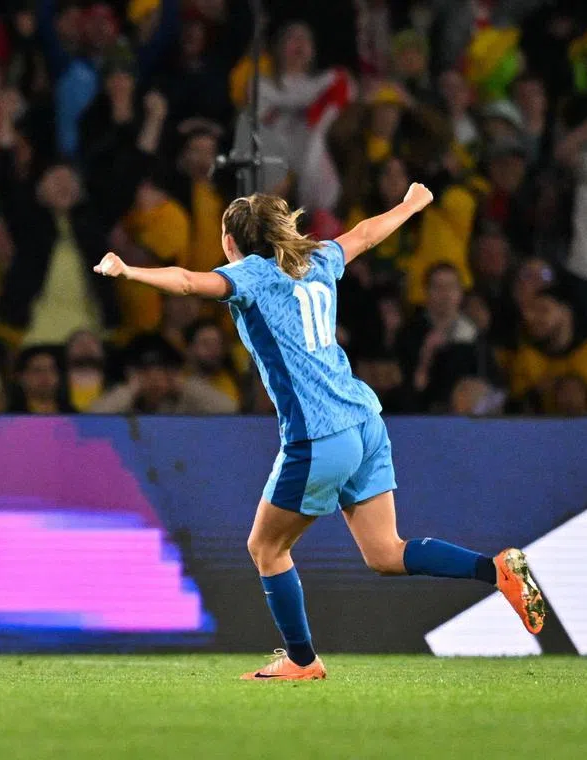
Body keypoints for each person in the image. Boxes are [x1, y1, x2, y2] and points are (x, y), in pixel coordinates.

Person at [93, 185, 546, 681]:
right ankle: (496, 569)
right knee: (386, 553)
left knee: (266, 549)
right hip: (364, 420)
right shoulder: (319, 259)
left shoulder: (253, 275)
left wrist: (128, 270)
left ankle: (302, 661)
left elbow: (184, 281)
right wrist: (412, 205)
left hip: (318, 434)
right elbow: (366, 234)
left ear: (228, 241)